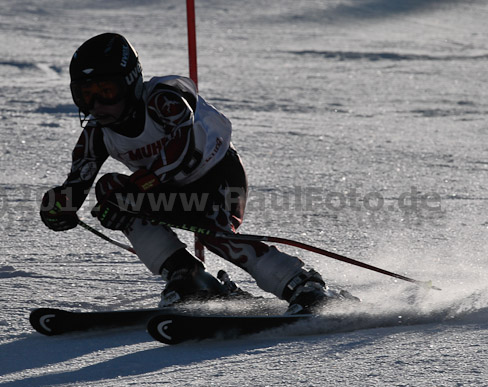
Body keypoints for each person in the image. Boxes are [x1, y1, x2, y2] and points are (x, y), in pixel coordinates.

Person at [40, 32, 348, 314]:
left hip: (218, 178)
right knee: (110, 192)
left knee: (211, 231)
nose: (96, 105)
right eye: (85, 95)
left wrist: (139, 186)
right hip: (167, 191)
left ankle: (301, 284)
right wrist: (60, 206)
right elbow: (77, 183)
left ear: (131, 83)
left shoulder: (163, 99)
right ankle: (188, 278)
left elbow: (183, 149)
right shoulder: (97, 132)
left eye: (106, 92)